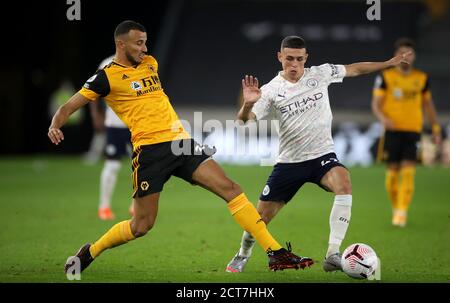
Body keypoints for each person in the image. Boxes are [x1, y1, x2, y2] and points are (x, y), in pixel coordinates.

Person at [48, 20, 312, 275]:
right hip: (150, 153)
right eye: (139, 43)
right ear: (121, 44)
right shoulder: (105, 78)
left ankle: (274, 252)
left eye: (146, 43)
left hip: (181, 143)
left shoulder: (150, 64)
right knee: (141, 226)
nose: (145, 49)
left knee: (231, 189)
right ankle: (91, 250)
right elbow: (67, 107)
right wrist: (55, 125)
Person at [225, 35, 412, 273]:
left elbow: (355, 69)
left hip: (322, 155)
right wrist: (249, 104)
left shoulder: (320, 74)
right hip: (290, 162)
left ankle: (333, 254)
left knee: (343, 181)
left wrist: (389, 63)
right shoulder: (271, 90)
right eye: (289, 59)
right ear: (280, 57)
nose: (294, 64)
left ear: (306, 58)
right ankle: (243, 253)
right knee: (259, 220)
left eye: (299, 59)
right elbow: (243, 122)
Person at [371, 38, 441, 227]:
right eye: (402, 52)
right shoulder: (385, 77)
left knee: (409, 172)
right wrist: (384, 119)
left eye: (409, 53)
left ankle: (402, 212)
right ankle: (396, 208)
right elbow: (376, 105)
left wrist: (435, 128)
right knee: (392, 174)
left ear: (414, 56)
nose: (406, 56)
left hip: (413, 131)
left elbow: (428, 106)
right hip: (392, 131)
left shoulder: (421, 78)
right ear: (396, 55)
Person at [90, 55, 134, 220]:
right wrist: (96, 115)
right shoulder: (107, 63)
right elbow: (92, 90)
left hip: (137, 123)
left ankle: (136, 205)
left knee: (142, 164)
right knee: (113, 165)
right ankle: (104, 207)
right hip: (115, 124)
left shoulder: (143, 62)